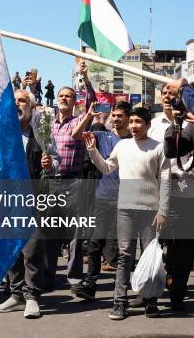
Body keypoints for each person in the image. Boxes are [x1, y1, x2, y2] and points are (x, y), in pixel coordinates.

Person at [83, 107, 169, 320]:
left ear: (147, 125)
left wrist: (163, 211)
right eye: (131, 122)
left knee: (150, 258)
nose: (133, 126)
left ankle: (150, 301)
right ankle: (119, 302)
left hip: (150, 211)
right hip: (125, 210)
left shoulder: (159, 148)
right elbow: (106, 168)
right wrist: (93, 151)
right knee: (124, 257)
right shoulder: (122, 145)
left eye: (138, 122)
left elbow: (166, 183)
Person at [0, 88, 59, 319]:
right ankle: (16, 294)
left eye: (22, 100)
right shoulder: (2, 133)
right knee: (11, 251)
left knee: (31, 250)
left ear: (31, 108)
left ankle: (32, 297)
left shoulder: (42, 134)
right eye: (15, 101)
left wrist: (50, 163)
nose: (17, 104)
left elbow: (57, 162)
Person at [71, 101, 132, 301]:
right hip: (103, 198)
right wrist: (89, 116)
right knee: (95, 243)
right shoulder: (103, 136)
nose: (116, 118)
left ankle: (124, 289)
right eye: (113, 115)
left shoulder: (134, 141)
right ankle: (90, 283)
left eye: (120, 115)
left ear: (128, 118)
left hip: (127, 200)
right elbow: (76, 135)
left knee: (124, 248)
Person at [45, 60, 96, 293]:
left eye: (69, 96)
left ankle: (74, 278)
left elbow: (92, 102)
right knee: (50, 230)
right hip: (51, 182)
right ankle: (47, 276)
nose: (64, 98)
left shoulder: (80, 121)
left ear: (75, 101)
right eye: (61, 96)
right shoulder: (48, 123)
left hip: (74, 182)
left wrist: (85, 77)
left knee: (76, 233)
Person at [162, 101, 194, 312]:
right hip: (174, 199)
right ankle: (175, 292)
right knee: (177, 251)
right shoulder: (162, 126)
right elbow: (166, 153)